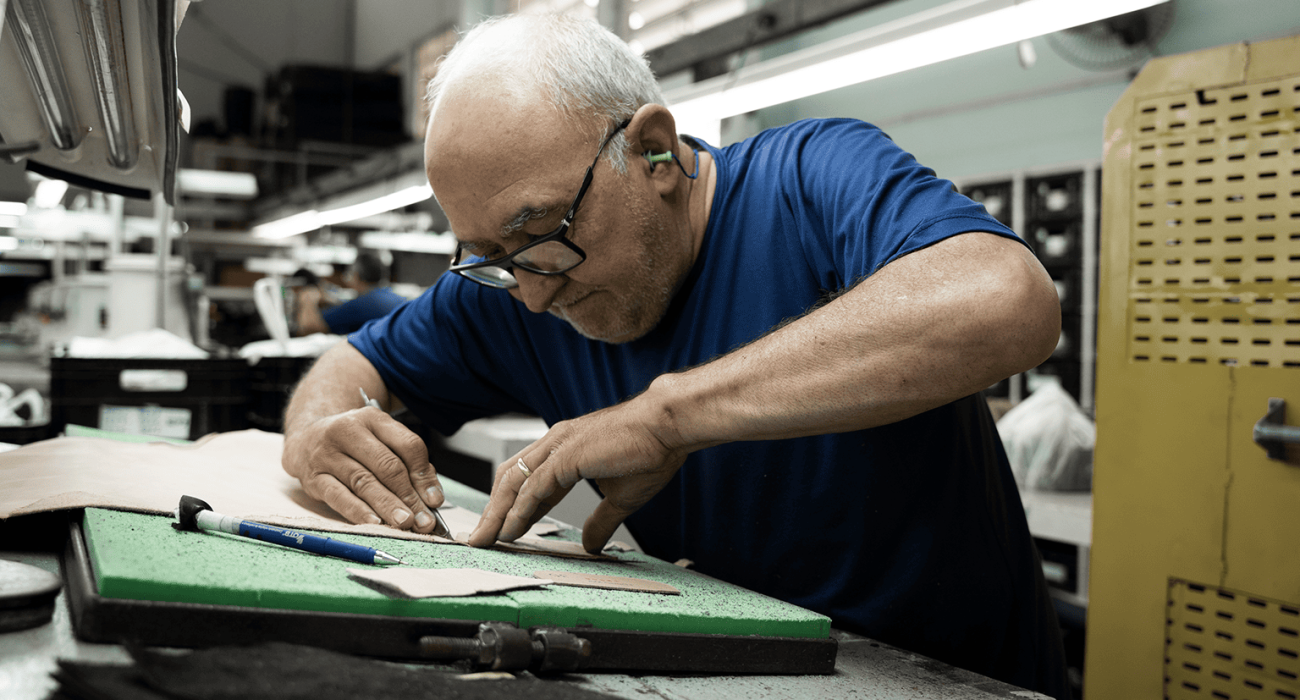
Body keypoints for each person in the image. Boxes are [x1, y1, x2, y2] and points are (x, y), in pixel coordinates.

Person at [281, 13, 1068, 697]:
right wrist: (320, 432)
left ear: (654, 152)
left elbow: (1007, 301)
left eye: (542, 234)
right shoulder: (513, 283)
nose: (530, 294)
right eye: (486, 253)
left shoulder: (811, 182)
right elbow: (352, 365)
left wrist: (667, 417)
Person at [293, 252, 406, 335]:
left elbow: (310, 328)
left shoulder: (362, 304)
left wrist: (308, 299)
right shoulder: (395, 298)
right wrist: (334, 301)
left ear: (356, 275)